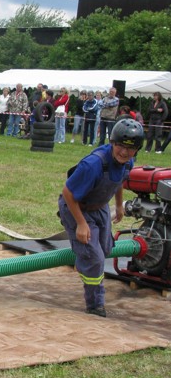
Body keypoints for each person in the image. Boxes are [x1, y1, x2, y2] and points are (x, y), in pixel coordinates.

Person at [58, 119, 143, 318]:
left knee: (105, 249)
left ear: (137, 150)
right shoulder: (93, 164)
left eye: (130, 148)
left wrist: (119, 205)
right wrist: (81, 224)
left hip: (100, 207)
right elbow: (68, 193)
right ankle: (95, 304)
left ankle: (84, 259)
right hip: (77, 207)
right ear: (112, 142)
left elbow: (120, 180)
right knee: (95, 258)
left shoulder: (128, 161)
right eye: (121, 146)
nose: (124, 152)